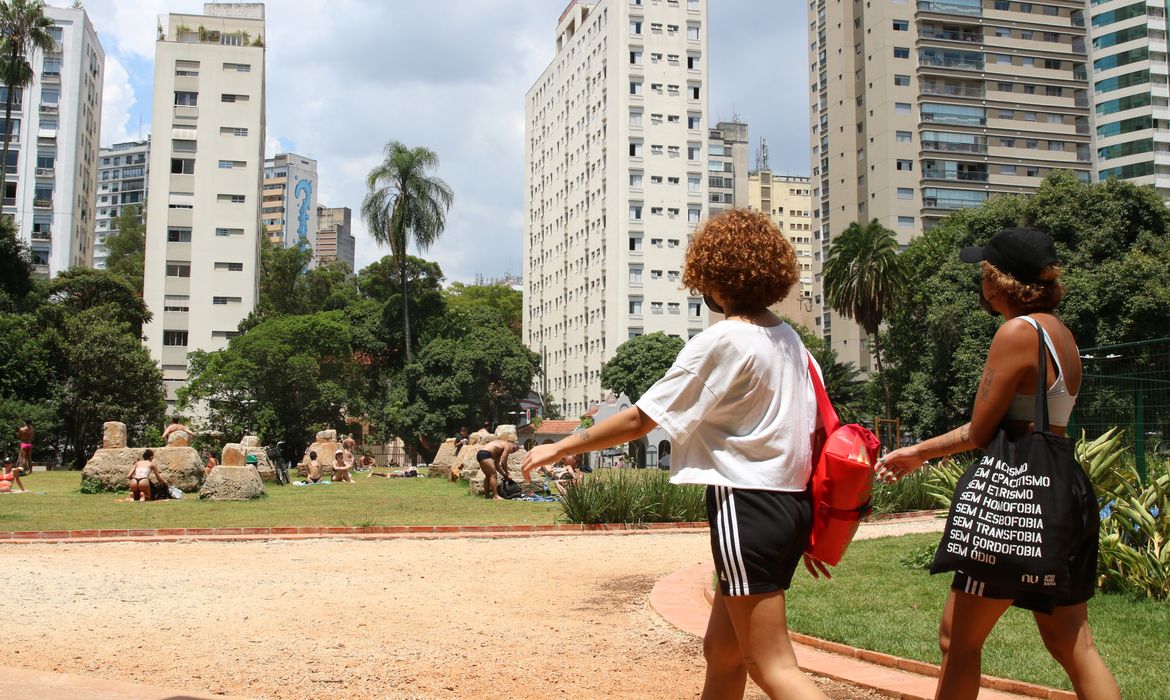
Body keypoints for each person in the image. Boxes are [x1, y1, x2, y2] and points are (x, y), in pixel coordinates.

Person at [522, 208, 827, 699]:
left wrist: (560, 445)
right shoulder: (791, 341)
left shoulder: (724, 340)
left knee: (772, 665)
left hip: (747, 505)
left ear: (713, 274)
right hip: (789, 505)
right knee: (723, 651)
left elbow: (641, 420)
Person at [878, 227, 1120, 700]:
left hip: (1020, 497)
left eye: (986, 274)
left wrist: (915, 452)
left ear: (1000, 283)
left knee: (958, 639)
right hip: (1066, 489)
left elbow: (979, 431)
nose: (982, 284)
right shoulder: (1062, 335)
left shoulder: (1017, 332)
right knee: (1074, 645)